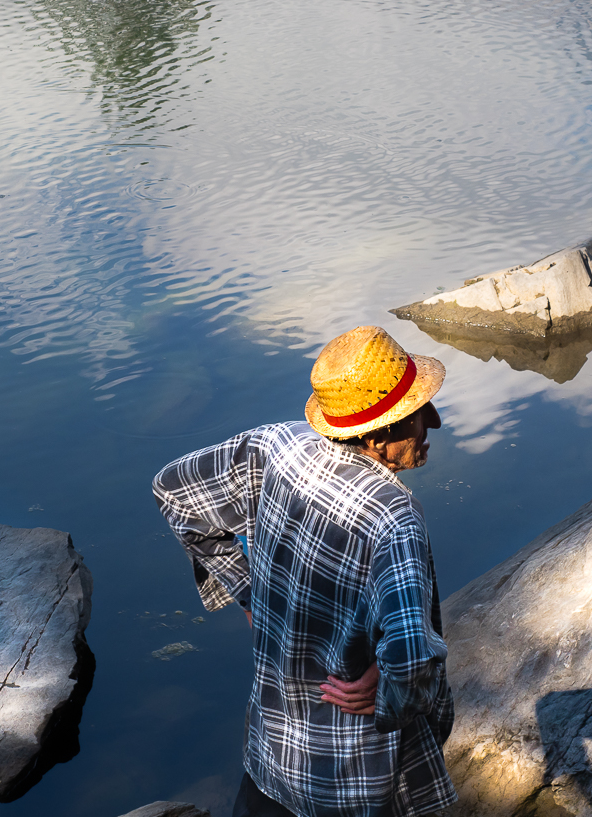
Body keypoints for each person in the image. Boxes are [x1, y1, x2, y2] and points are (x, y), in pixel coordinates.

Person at [152, 326, 456, 817]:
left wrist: (248, 592)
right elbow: (410, 663)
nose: (435, 422)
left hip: (274, 751)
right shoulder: (393, 519)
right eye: (419, 412)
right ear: (378, 436)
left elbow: (174, 490)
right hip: (349, 777)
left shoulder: (280, 446)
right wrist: (390, 698)